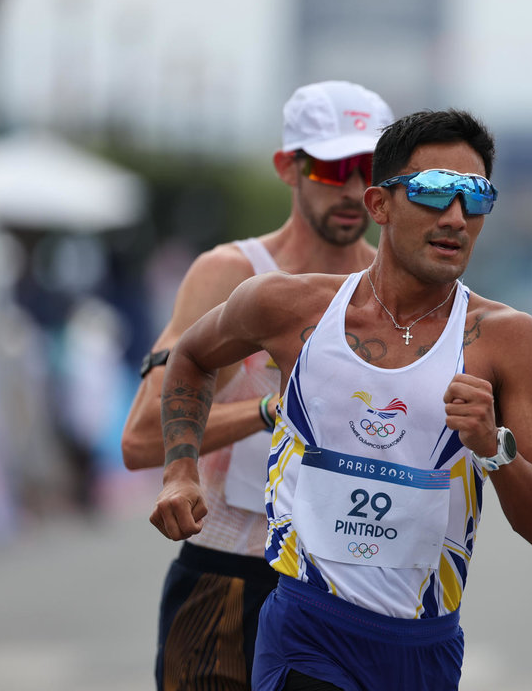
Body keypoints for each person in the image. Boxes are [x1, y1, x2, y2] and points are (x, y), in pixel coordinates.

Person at [150, 109, 532, 691]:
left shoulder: (508, 340)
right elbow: (191, 358)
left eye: (475, 198)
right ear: (380, 206)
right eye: (432, 193)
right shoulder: (290, 307)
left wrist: (492, 448)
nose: (455, 217)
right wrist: (180, 472)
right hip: (306, 631)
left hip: (422, 647)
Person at [122, 80, 393, 691]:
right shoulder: (232, 273)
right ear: (287, 168)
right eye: (332, 168)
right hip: (227, 578)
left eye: (370, 169)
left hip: (348, 589)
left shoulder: (393, 286)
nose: (353, 189)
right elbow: (140, 440)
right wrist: (273, 410)